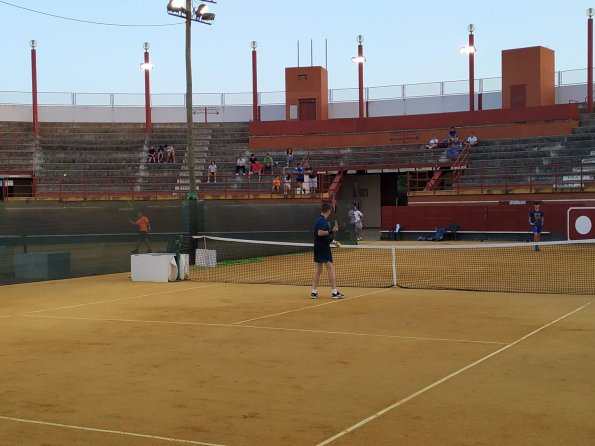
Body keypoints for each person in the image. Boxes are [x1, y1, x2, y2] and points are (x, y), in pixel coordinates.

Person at [311, 202, 344, 300]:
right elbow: (320, 233)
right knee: (330, 268)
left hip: (318, 247)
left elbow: (322, 236)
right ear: (328, 211)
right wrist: (332, 230)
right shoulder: (322, 221)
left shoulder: (319, 220)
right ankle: (334, 292)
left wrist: (333, 241)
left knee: (318, 270)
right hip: (323, 248)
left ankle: (314, 292)